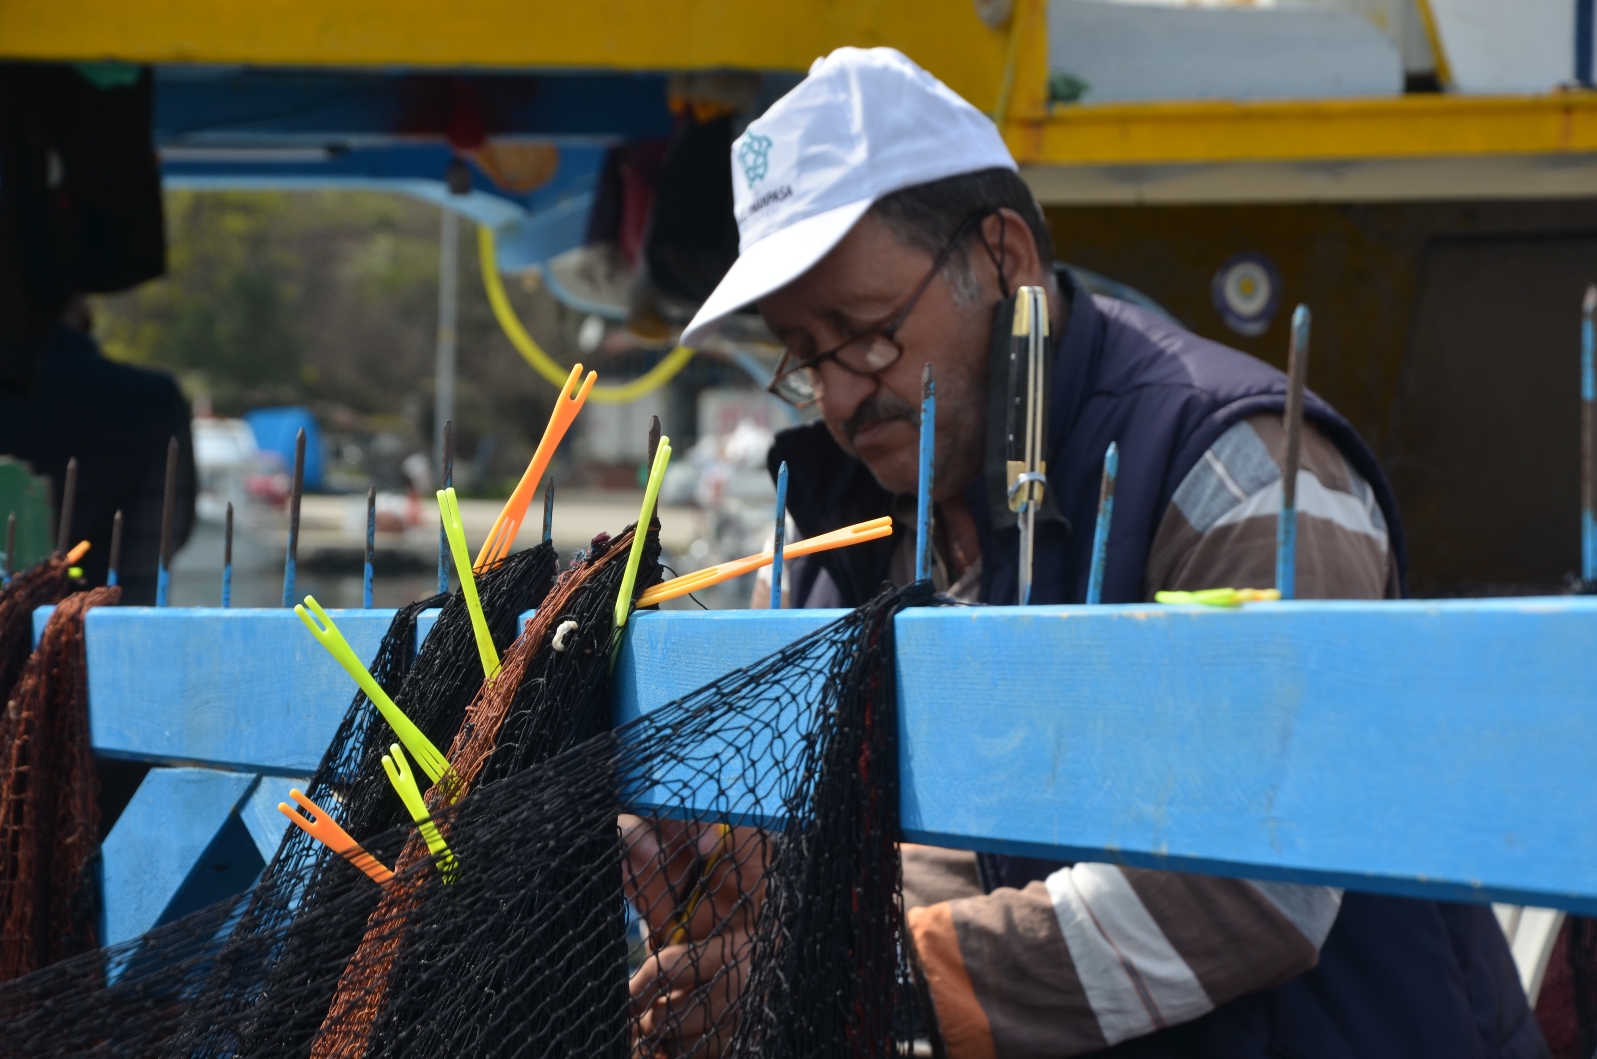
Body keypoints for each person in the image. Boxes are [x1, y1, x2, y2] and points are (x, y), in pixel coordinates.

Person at [629, 47, 1546, 1059]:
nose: (842, 395)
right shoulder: (846, 529)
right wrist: (758, 873)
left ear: (1004, 257)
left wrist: (892, 980)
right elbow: (961, 863)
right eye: (803, 359)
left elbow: (1260, 880)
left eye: (866, 334)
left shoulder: (1237, 466)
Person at [0, 298, 195, 605]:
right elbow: (176, 525)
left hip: (7, 625)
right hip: (122, 626)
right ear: (87, 318)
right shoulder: (154, 398)